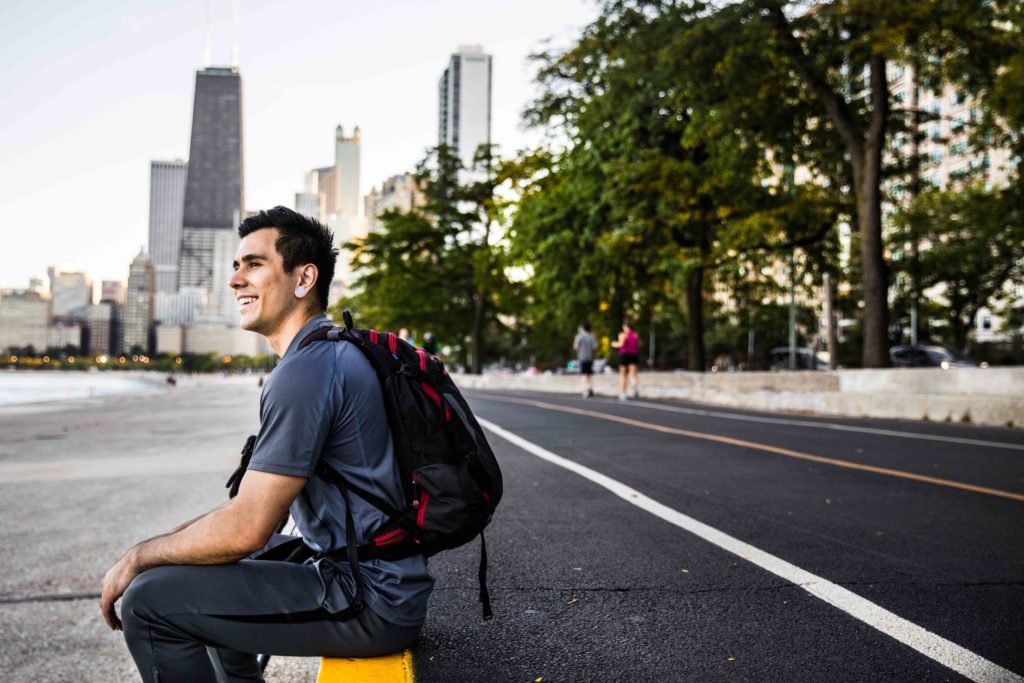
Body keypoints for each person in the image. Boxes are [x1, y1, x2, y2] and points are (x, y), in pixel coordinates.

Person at [100, 206, 433, 682]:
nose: (236, 279)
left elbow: (247, 528)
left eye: (254, 264)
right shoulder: (328, 352)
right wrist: (171, 549)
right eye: (236, 266)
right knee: (205, 569)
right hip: (378, 575)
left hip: (371, 597)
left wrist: (136, 557)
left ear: (303, 279)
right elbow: (259, 513)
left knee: (148, 602)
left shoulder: (307, 371)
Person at [611, 319, 640, 400]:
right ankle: (634, 387)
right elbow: (638, 344)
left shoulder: (623, 334)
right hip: (634, 354)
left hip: (624, 354)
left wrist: (614, 344)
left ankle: (623, 393)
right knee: (633, 374)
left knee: (623, 375)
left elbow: (621, 344)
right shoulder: (635, 334)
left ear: (625, 326)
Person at [572, 323, 598, 398]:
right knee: (589, 373)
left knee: (583, 374)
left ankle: (586, 389)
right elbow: (595, 347)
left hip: (582, 357)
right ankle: (590, 387)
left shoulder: (579, 336)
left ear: (582, 328)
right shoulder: (592, 337)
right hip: (590, 357)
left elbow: (576, 347)